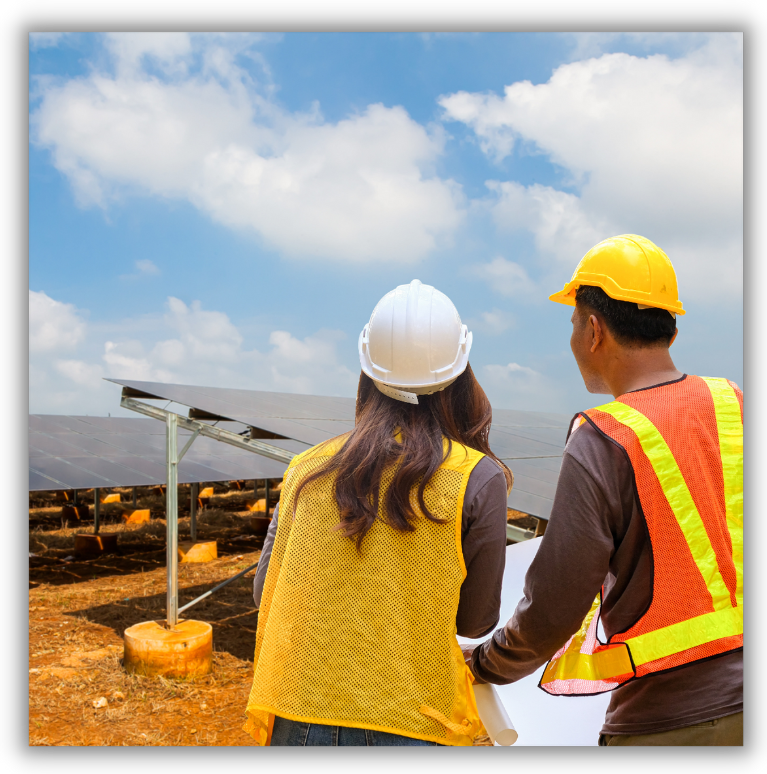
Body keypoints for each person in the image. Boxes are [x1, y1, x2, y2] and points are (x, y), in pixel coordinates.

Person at [462, 234, 743, 746]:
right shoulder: (733, 404)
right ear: (670, 331)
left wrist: (487, 663)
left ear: (594, 330)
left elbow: (555, 603)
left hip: (671, 719)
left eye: (572, 323)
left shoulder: (603, 436)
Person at [244, 279, 512, 747]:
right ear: (461, 372)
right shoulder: (477, 478)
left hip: (297, 716)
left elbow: (264, 589)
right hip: (414, 722)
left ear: (367, 369)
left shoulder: (306, 470)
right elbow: (474, 622)